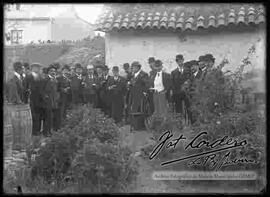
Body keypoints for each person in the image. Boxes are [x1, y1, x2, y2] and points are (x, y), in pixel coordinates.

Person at [128, 61, 150, 131]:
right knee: (134, 110)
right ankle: (135, 125)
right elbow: (132, 84)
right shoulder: (132, 75)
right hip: (133, 95)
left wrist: (145, 92)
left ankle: (141, 126)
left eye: (134, 67)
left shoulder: (143, 74)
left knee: (141, 110)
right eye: (132, 67)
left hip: (141, 95)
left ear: (138, 67)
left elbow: (147, 84)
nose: (133, 69)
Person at [41, 64, 60, 136]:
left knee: (52, 117)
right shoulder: (45, 79)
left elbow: (57, 90)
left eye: (54, 71)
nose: (53, 72)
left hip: (54, 101)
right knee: (47, 117)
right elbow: (42, 90)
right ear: (48, 72)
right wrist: (45, 97)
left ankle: (50, 130)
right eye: (51, 71)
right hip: (48, 101)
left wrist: (57, 97)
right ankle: (46, 132)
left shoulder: (55, 80)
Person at [25, 63, 44, 136]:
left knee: (39, 115)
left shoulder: (40, 77)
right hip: (32, 99)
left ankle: (38, 130)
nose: (38, 69)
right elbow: (26, 87)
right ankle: (34, 131)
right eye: (37, 68)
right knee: (34, 115)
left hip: (39, 99)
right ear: (33, 68)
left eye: (39, 68)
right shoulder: (29, 76)